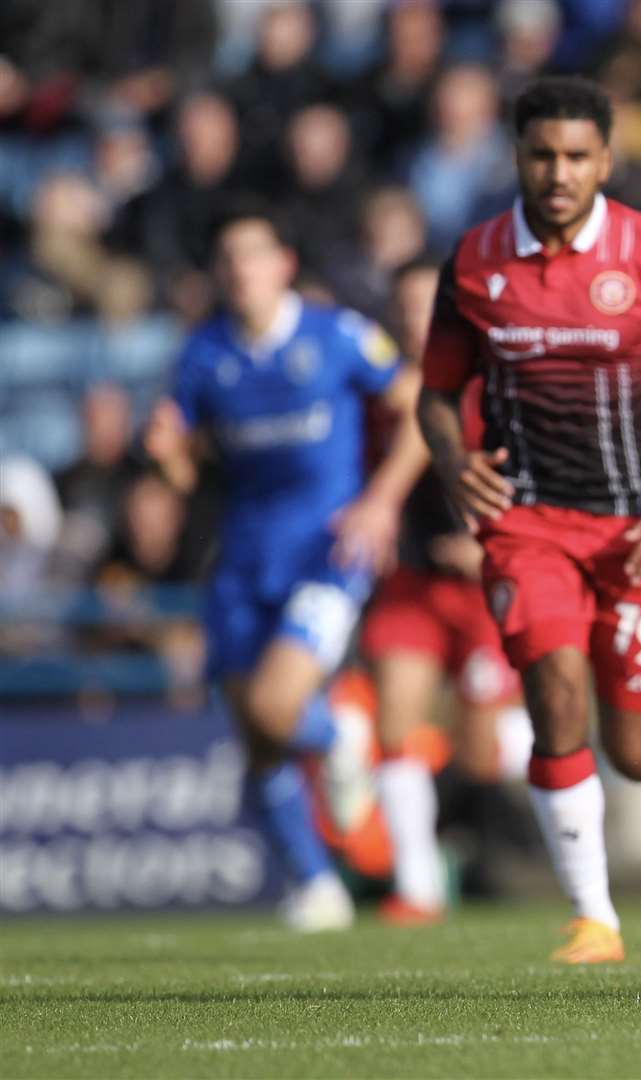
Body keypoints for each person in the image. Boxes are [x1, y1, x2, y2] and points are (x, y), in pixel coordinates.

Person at [416, 75, 641, 964]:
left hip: (638, 531)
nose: (558, 173)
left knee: (638, 755)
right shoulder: (476, 263)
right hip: (528, 524)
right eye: (541, 155)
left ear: (605, 159)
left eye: (576, 157)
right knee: (556, 693)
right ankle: (594, 918)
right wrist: (453, 463)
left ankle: (594, 888)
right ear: (517, 156)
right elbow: (435, 393)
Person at [144, 204, 427, 932]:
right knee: (255, 730)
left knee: (277, 706)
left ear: (283, 265)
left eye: (253, 256)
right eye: (229, 259)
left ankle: (338, 738)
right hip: (242, 556)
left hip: (328, 554)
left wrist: (381, 503)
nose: (241, 271)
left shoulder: (336, 337)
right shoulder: (204, 353)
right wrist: (168, 452)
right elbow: (182, 465)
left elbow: (422, 409)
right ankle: (315, 884)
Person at [360, 258, 526, 925]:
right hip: (414, 581)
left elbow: (532, 476)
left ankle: (525, 807)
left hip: (485, 586)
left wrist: (492, 541)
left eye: (426, 305)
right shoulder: (381, 389)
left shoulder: (494, 387)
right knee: (393, 722)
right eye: (404, 307)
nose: (413, 319)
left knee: (483, 750)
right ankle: (417, 886)